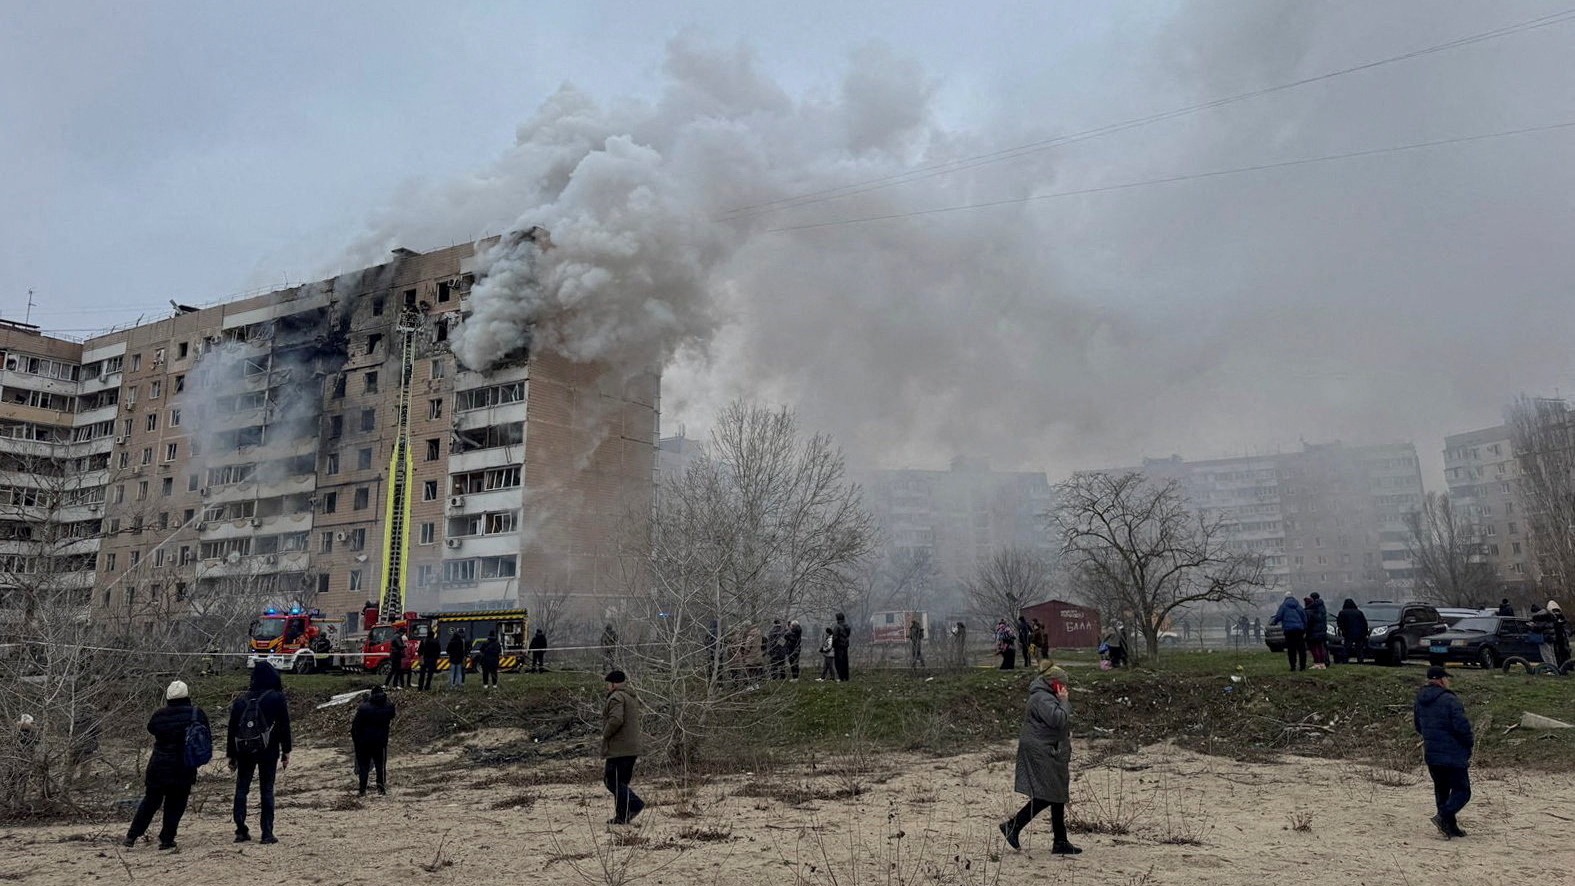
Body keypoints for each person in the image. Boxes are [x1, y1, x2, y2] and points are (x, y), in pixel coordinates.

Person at [1000, 662, 1081, 855]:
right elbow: (1058, 720)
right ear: (1053, 682)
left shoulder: (1045, 696)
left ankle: (1060, 841)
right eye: (1062, 684)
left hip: (1049, 748)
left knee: (1056, 792)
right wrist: (1064, 701)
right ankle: (1013, 826)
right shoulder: (1042, 699)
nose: (1065, 687)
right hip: (1041, 750)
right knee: (1047, 794)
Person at [124, 681, 208, 851]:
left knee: (150, 801)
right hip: (184, 765)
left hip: (159, 764)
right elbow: (205, 733)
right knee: (176, 804)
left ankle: (132, 835)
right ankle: (167, 839)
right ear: (186, 695)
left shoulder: (159, 715)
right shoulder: (196, 713)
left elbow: (151, 729)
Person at [228, 660, 291, 844]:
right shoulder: (276, 698)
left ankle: (241, 829)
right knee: (266, 789)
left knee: (241, 788)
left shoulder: (241, 700)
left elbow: (232, 729)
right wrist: (286, 751)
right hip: (268, 750)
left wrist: (231, 755)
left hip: (244, 750)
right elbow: (284, 725)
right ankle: (267, 832)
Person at [1414, 666, 1473, 839]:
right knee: (1463, 791)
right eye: (1447, 678)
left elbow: (1418, 726)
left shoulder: (1420, 700)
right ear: (1441, 680)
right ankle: (1443, 817)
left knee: (1441, 790)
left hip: (1432, 753)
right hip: (1453, 753)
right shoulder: (1450, 700)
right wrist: (1469, 743)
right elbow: (1462, 727)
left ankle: (1450, 827)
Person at [601, 670, 645, 826]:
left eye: (608, 684)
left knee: (611, 780)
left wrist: (605, 734)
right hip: (632, 747)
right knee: (621, 782)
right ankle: (622, 816)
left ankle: (635, 803)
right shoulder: (630, 697)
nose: (607, 687)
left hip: (619, 747)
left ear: (613, 684)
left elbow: (616, 719)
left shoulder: (616, 697)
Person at [350, 685, 396, 796]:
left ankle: (362, 790)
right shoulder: (389, 707)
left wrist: (356, 741)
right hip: (380, 741)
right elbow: (392, 714)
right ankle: (381, 788)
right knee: (380, 766)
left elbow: (356, 726)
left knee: (364, 766)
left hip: (364, 742)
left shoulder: (363, 708)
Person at [1271, 592, 1307, 671]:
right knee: (1301, 649)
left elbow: (1279, 616)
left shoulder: (1283, 606)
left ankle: (1293, 666)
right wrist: (1304, 627)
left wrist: (1273, 622)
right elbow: (1303, 616)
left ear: (1285, 598)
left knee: (1291, 649)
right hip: (1299, 630)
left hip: (1289, 630)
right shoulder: (1298, 605)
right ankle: (1302, 666)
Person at [1336, 599, 1370, 665]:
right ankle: (1360, 661)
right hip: (1359, 633)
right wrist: (1365, 633)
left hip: (1348, 633)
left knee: (1347, 648)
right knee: (1359, 648)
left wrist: (1343, 630)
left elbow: (1339, 623)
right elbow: (1364, 623)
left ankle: (1345, 661)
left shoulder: (1342, 612)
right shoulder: (1359, 612)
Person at [1305, 593, 1329, 669]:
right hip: (1322, 631)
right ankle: (1323, 663)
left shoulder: (1311, 609)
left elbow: (1309, 622)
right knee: (1321, 647)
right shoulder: (1322, 608)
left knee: (1314, 648)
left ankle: (1317, 663)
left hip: (1313, 632)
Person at [831, 612, 852, 682]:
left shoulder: (837, 627)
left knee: (838, 663)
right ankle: (846, 677)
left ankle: (841, 677)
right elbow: (847, 635)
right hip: (845, 646)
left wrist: (833, 645)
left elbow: (834, 637)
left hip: (838, 647)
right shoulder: (847, 626)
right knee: (845, 662)